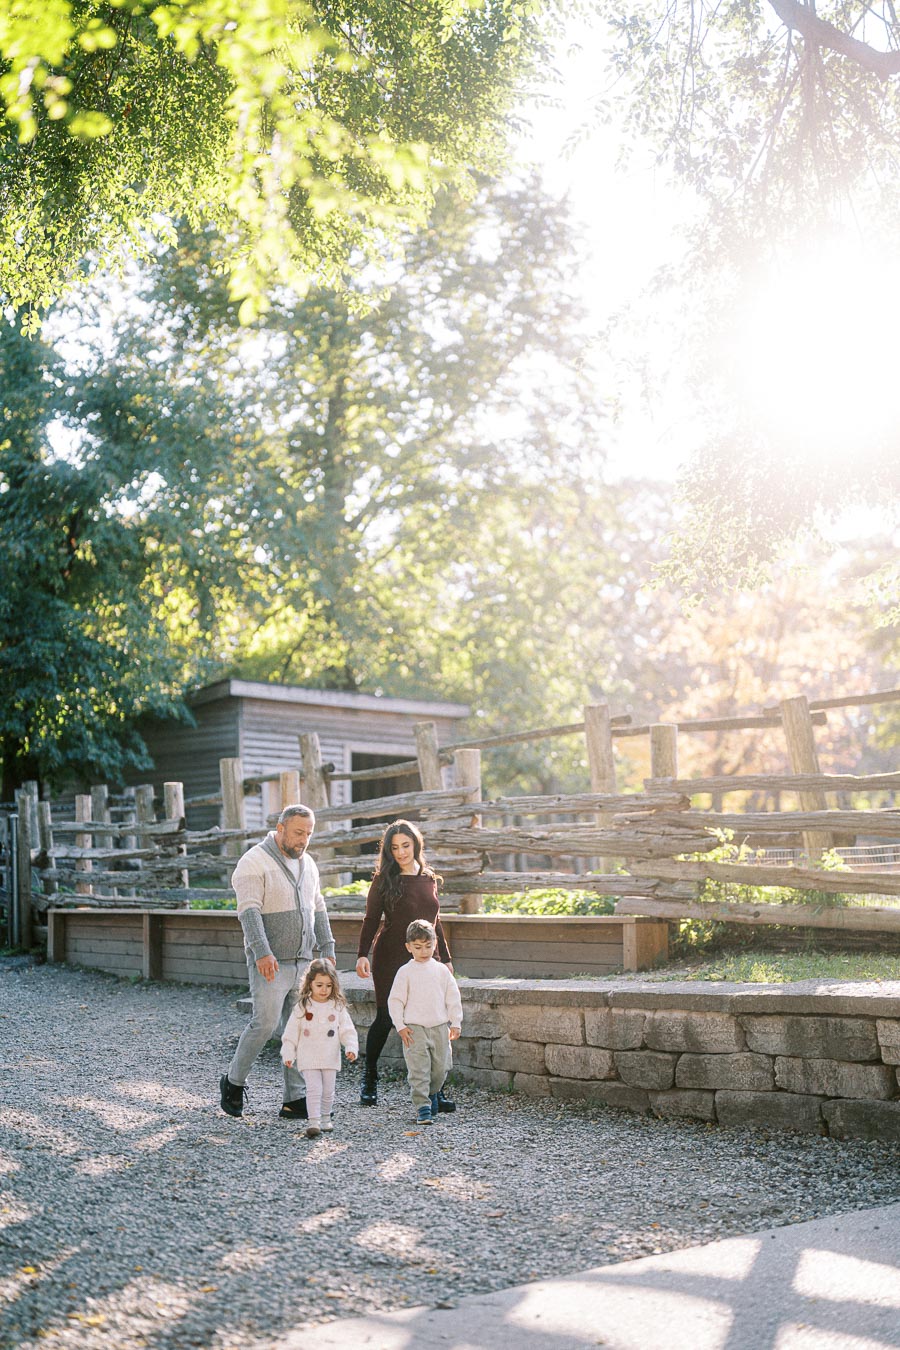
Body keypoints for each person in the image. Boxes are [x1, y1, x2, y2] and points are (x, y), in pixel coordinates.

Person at [219, 803, 336, 1120]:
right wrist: (262, 952)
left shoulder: (308, 863)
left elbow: (318, 906)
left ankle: (294, 1099)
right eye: (299, 832)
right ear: (280, 828)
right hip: (270, 962)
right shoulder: (252, 862)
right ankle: (232, 1082)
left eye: (309, 834)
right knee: (265, 1024)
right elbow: (249, 911)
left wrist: (327, 947)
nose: (304, 840)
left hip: (303, 962)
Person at [355, 819, 455, 1110]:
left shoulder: (429, 878)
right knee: (387, 1017)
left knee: (433, 1020)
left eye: (406, 845)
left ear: (416, 845)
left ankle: (435, 1091)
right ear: (388, 850)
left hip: (427, 958)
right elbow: (371, 920)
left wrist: (445, 959)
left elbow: (435, 923)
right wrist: (362, 954)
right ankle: (369, 1078)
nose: (400, 852)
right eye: (395, 847)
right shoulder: (383, 880)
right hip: (391, 958)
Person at [388, 919, 462, 1125]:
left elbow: (453, 997)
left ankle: (433, 1094)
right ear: (408, 947)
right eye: (418, 947)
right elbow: (395, 1000)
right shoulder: (405, 972)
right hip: (414, 1029)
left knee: (440, 1068)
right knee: (419, 1069)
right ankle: (423, 1107)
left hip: (439, 1026)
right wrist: (400, 1026)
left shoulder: (441, 971)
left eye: (428, 946)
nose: (423, 951)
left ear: (435, 943)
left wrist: (455, 1022)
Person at [281, 958, 358, 1139]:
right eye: (319, 985)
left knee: (328, 1089)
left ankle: (325, 1117)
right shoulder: (302, 1007)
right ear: (310, 983)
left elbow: (347, 1029)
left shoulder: (337, 1006)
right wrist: (288, 1053)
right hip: (309, 1056)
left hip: (330, 1056)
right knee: (314, 1088)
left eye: (329, 986)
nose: (324, 990)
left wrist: (351, 1047)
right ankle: (313, 1121)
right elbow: (291, 1033)